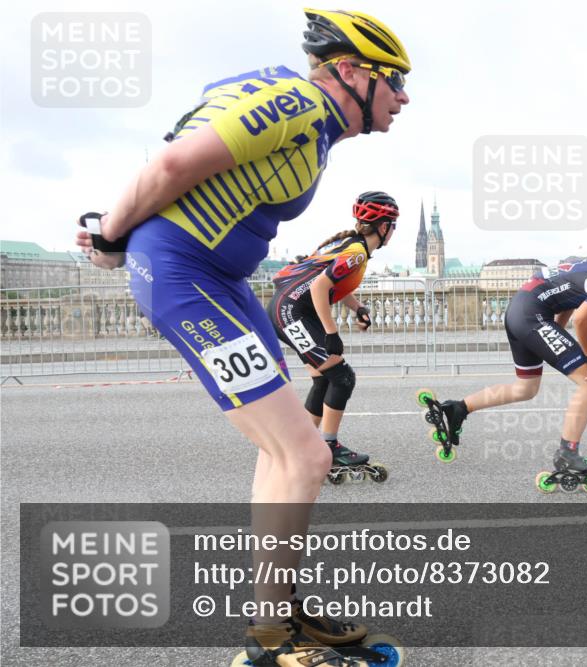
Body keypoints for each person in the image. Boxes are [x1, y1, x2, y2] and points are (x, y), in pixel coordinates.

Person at [75, 8, 411, 665]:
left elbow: (191, 133)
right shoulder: (297, 101)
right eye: (394, 80)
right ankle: (268, 643)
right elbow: (173, 162)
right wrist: (113, 234)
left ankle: (276, 614)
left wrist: (119, 227)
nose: (403, 97)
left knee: (283, 453)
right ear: (348, 71)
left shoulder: (310, 120)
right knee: (309, 454)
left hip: (219, 279)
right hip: (186, 273)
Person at [426, 228, 587, 493]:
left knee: (526, 388)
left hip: (520, 311)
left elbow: (565, 301)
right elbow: (582, 319)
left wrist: (559, 341)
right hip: (531, 317)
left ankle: (458, 408)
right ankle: (568, 454)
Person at [268, 191, 397, 482]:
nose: (393, 232)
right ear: (384, 226)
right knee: (342, 377)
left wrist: (358, 306)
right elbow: (319, 287)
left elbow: (334, 283)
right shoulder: (357, 252)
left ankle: (298, 448)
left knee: (324, 379)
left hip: (290, 308)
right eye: (393, 226)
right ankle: (328, 446)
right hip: (293, 312)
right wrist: (331, 333)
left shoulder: (351, 246)